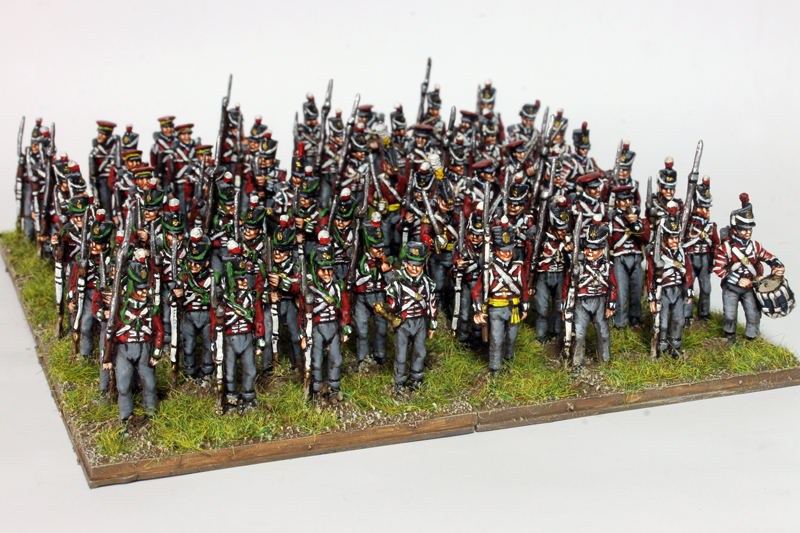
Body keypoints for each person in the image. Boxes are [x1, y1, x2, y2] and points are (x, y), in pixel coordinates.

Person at [713, 193, 784, 343]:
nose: (748, 232)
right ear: (735, 229)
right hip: (731, 287)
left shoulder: (755, 246)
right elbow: (718, 268)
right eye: (744, 229)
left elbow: (767, 256)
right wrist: (737, 280)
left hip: (750, 287)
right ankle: (729, 337)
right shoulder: (726, 248)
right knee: (730, 315)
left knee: (753, 314)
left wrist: (777, 265)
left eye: (750, 228)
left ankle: (752, 338)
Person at [473, 217, 529, 375]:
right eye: (503, 250)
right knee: (496, 340)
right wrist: (478, 310)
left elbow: (524, 289)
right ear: (496, 250)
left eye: (510, 250)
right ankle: (495, 369)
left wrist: (525, 306)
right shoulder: (489, 270)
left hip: (514, 309)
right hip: (496, 309)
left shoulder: (518, 269)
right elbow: (476, 291)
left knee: (511, 339)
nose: (507, 253)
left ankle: (508, 364)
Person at [385, 241, 437, 394]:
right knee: (401, 354)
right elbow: (392, 305)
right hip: (403, 323)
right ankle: (399, 382)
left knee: (420, 352)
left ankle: (416, 379)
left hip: (420, 323)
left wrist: (432, 324)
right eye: (411, 264)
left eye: (418, 265)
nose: (414, 268)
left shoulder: (427, 283)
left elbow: (431, 303)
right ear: (406, 264)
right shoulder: (397, 282)